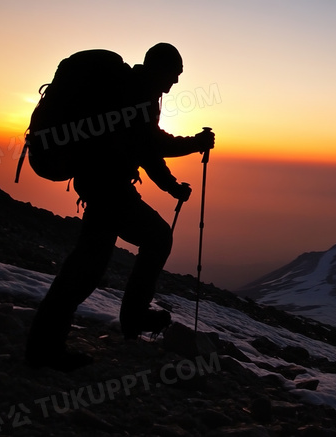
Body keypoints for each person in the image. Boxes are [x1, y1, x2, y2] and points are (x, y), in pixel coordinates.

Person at [25, 43, 215, 371]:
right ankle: (47, 346)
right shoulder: (137, 92)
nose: (175, 83)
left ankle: (122, 321)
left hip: (104, 184)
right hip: (106, 185)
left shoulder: (133, 91)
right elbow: (153, 144)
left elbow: (144, 150)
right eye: (175, 74)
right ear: (160, 68)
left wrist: (171, 187)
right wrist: (195, 144)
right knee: (89, 266)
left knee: (108, 255)